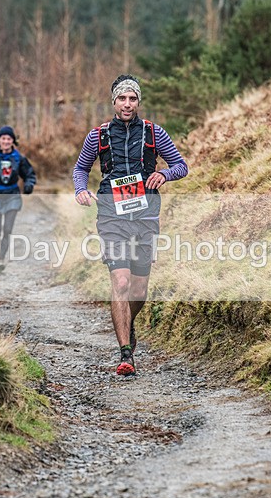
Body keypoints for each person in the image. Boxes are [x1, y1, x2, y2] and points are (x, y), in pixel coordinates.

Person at [73, 74, 189, 376]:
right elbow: (81, 167)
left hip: (145, 217)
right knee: (121, 283)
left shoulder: (154, 132)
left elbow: (181, 165)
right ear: (113, 102)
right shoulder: (98, 135)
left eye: (132, 99)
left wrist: (164, 174)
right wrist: (81, 190)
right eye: (122, 98)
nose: (127, 104)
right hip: (112, 216)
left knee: (138, 289)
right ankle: (126, 354)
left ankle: (128, 321)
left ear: (138, 102)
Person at [0, 125, 36, 263]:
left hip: (12, 196)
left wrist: (28, 185)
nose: (6, 141)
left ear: (13, 141)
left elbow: (29, 174)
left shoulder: (18, 158)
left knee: (7, 229)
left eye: (9, 139)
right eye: (3, 138)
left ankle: (1, 256)